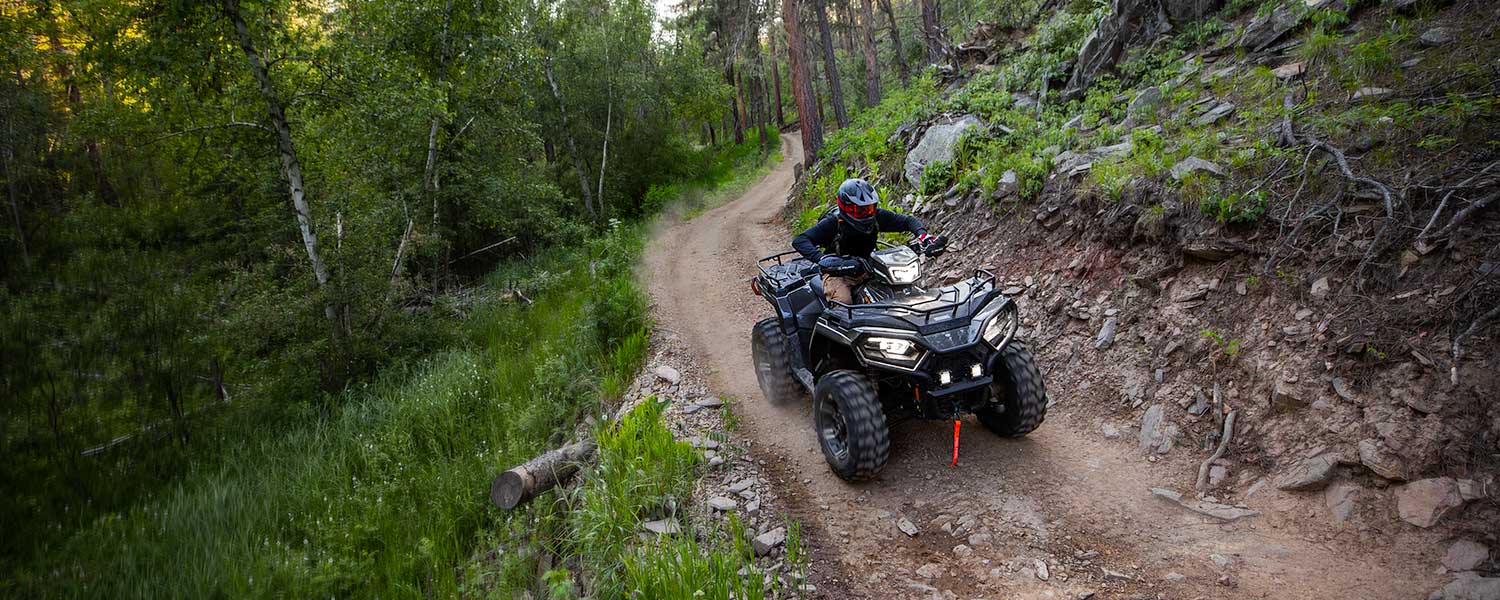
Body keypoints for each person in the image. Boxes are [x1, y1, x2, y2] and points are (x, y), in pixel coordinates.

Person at [792, 178, 933, 304]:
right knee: (844, 301)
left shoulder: (877, 217)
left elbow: (908, 221)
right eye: (859, 210)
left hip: (870, 267)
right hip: (838, 273)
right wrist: (823, 259)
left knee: (906, 289)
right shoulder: (834, 223)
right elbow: (800, 240)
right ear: (846, 207)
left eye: (870, 208)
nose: (866, 213)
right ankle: (837, 323)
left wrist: (923, 236)